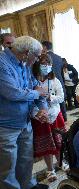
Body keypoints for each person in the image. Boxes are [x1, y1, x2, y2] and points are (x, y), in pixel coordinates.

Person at [0, 36, 49, 189]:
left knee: (26, 159)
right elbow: (13, 93)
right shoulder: (2, 64)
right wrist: (37, 94)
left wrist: (43, 109)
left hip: (25, 122)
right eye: (36, 56)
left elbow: (37, 87)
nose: (37, 61)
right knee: (7, 166)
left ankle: (28, 185)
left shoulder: (24, 64)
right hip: (6, 126)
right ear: (27, 53)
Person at [31, 54, 67, 182]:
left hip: (55, 114)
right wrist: (39, 113)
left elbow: (61, 97)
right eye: (43, 63)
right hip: (40, 118)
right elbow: (31, 101)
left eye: (48, 63)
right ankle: (50, 169)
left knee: (59, 142)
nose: (46, 66)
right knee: (46, 144)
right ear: (37, 64)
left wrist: (50, 98)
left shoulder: (54, 80)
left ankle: (61, 162)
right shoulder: (32, 80)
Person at [41, 41, 67, 121]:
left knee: (58, 105)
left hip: (53, 81)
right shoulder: (59, 57)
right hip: (58, 80)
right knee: (62, 107)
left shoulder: (44, 57)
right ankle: (64, 119)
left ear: (44, 47)